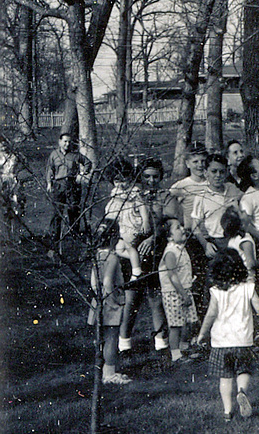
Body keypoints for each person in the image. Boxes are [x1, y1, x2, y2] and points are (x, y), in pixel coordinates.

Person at [197, 249, 259, 422]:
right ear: (240, 268)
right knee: (244, 371)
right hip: (243, 340)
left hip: (221, 342)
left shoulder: (216, 291)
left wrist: (202, 333)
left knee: (225, 378)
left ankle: (227, 411)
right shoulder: (247, 288)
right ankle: (242, 391)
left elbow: (210, 315)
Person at [118, 157, 174, 353]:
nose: (151, 180)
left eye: (155, 177)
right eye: (147, 176)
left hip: (155, 250)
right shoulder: (132, 194)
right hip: (131, 253)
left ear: (161, 177)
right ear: (140, 176)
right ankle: (124, 343)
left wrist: (153, 237)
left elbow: (169, 222)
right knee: (131, 299)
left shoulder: (165, 196)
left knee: (155, 298)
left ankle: (161, 343)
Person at [87, 221, 131, 385]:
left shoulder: (97, 256)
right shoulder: (112, 257)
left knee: (102, 338)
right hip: (109, 303)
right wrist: (112, 300)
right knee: (112, 338)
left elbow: (93, 282)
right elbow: (107, 282)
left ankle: (103, 371)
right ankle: (110, 373)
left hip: (98, 302)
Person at [169, 146, 210, 315]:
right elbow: (169, 199)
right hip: (193, 236)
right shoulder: (182, 185)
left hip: (212, 234)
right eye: (195, 162)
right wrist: (178, 221)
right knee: (196, 278)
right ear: (187, 163)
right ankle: (196, 317)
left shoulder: (212, 181)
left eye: (202, 161)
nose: (200, 165)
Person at [158, 218, 199, 364]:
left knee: (189, 320)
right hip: (173, 293)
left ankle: (184, 347)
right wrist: (183, 294)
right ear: (169, 236)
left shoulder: (181, 248)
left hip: (184, 290)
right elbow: (172, 276)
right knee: (176, 324)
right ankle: (175, 355)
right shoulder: (170, 252)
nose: (182, 229)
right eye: (177, 228)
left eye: (181, 226)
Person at [104, 157, 151, 281]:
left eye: (124, 180)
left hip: (132, 221)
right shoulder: (116, 192)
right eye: (117, 181)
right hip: (122, 222)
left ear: (130, 178)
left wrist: (145, 221)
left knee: (130, 245)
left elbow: (142, 206)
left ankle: (136, 271)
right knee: (119, 248)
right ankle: (137, 259)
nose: (121, 184)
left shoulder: (134, 191)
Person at [191, 153, 243, 259]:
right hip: (216, 241)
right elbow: (195, 226)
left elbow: (246, 200)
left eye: (222, 172)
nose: (218, 175)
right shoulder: (201, 196)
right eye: (214, 171)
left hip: (236, 238)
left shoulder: (232, 188)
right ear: (206, 173)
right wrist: (206, 245)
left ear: (227, 172)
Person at [46, 133, 93, 242]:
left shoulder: (75, 155)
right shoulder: (54, 155)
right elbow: (49, 169)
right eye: (65, 141)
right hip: (59, 185)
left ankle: (74, 236)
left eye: (69, 142)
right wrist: (49, 183)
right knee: (57, 212)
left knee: (73, 210)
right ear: (60, 142)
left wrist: (81, 174)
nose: (67, 144)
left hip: (73, 185)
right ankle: (55, 238)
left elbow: (88, 163)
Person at [221, 207, 256, 279]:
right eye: (241, 212)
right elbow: (251, 264)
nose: (245, 210)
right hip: (247, 278)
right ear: (241, 223)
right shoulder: (245, 240)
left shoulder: (232, 239)